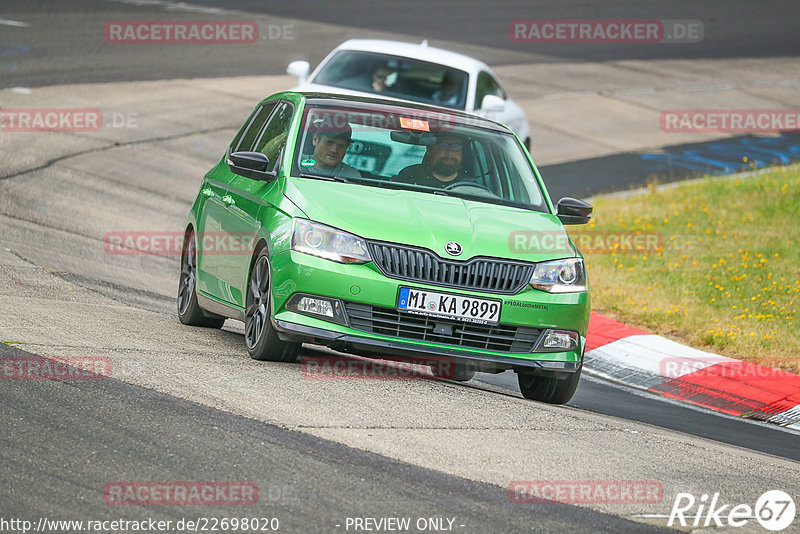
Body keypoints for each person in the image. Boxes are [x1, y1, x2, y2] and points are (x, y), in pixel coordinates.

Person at [394, 133, 472, 188]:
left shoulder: (470, 187)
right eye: (443, 146)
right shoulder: (410, 176)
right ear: (429, 149)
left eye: (456, 147)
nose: (450, 153)